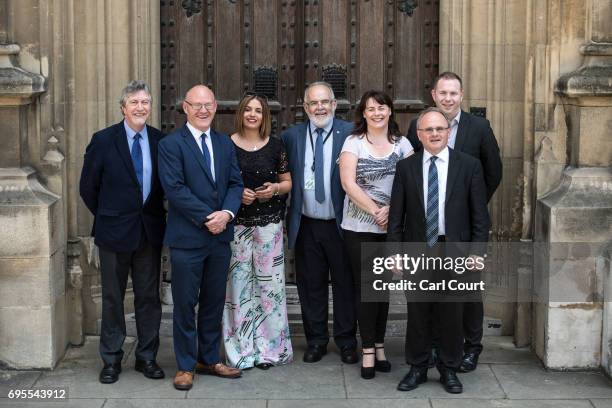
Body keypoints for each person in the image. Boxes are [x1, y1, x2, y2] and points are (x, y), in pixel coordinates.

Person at [388, 107, 490, 394]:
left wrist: (477, 253)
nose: (435, 134)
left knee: (451, 313)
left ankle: (449, 369)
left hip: (455, 251)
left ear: (448, 132)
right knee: (418, 311)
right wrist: (395, 253)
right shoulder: (406, 168)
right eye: (428, 130)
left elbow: (480, 217)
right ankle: (418, 367)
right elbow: (396, 217)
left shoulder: (469, 166)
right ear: (419, 135)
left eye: (440, 129)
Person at [406, 72, 502, 372]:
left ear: (461, 95)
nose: (448, 98)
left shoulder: (479, 127)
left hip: (463, 229)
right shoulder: (417, 125)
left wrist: (470, 209)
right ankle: (437, 347)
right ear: (434, 94)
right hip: (430, 231)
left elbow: (493, 171)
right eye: (442, 93)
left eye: (453, 93)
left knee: (469, 293)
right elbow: (413, 170)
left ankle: (471, 348)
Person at [158, 85, 244, 391]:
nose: (203, 110)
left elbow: (235, 183)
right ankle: (185, 365)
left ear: (216, 106)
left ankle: (209, 358)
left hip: (219, 239)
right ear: (185, 107)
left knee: (212, 301)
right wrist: (210, 217)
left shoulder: (224, 143)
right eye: (197, 105)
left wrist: (227, 215)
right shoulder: (171, 145)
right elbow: (175, 188)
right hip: (188, 238)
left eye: (208, 104)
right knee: (184, 303)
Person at [79, 80, 166, 384]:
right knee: (113, 298)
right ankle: (112, 359)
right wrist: (109, 215)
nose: (140, 107)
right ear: (123, 108)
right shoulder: (103, 141)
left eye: (145, 102)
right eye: (134, 103)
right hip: (113, 232)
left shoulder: (159, 140)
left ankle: (146, 357)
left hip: (149, 232)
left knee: (148, 297)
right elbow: (88, 188)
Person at [281, 81, 358, 364]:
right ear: (305, 107)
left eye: (325, 101)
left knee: (345, 285)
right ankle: (316, 341)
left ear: (335, 105)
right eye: (313, 103)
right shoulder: (292, 137)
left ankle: (347, 341)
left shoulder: (350, 134)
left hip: (342, 224)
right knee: (310, 285)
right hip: (307, 224)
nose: (320, 107)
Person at [338, 90, 413, 379]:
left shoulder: (403, 145)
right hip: (359, 230)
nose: (377, 113)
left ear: (390, 111)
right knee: (366, 290)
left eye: (382, 108)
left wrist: (392, 211)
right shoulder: (353, 143)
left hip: (392, 231)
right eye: (371, 109)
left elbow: (412, 184)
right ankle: (367, 349)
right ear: (364, 114)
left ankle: (380, 346)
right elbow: (348, 183)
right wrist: (376, 210)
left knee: (383, 290)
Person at [222, 94, 293, 370]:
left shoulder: (276, 146)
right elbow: (219, 184)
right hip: (237, 225)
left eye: (259, 111)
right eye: (248, 109)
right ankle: (241, 350)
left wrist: (273, 189)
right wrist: (237, 194)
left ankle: (269, 350)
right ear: (241, 113)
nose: (253, 114)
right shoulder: (226, 145)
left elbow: (287, 182)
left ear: (265, 116)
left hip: (270, 224)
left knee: (269, 287)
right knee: (238, 288)